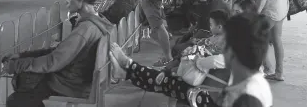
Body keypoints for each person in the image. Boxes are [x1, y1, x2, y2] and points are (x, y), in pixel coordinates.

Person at [109, 13, 273, 107]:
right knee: (170, 81)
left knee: (171, 82)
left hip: (204, 98)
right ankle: (127, 70)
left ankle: (127, 69)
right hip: (206, 95)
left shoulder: (248, 98)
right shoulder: (249, 79)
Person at [3, 0, 114, 107]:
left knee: (17, 99)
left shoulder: (84, 29)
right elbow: (61, 51)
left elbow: (53, 62)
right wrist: (23, 56)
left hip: (70, 85)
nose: (66, 1)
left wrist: (16, 65)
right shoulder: (99, 21)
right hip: (81, 82)